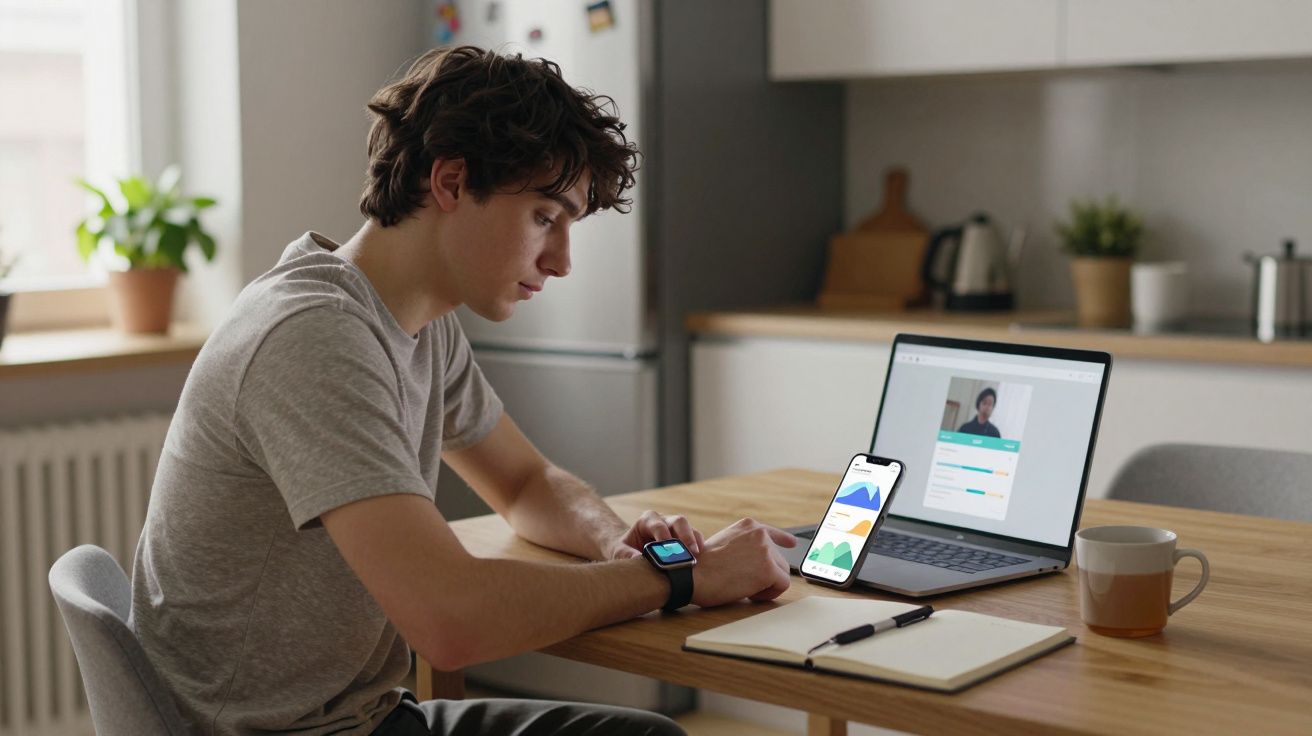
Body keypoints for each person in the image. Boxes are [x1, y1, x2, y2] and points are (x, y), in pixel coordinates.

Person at [131, 46, 795, 736]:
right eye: (545, 217)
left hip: (358, 719)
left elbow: (526, 482)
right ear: (450, 181)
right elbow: (450, 620)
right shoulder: (313, 337)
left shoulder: (417, 320)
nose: (562, 261)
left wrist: (618, 543)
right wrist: (680, 579)